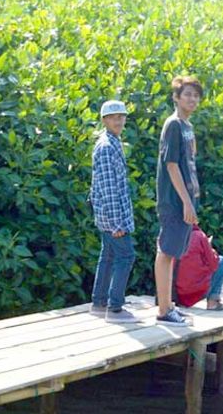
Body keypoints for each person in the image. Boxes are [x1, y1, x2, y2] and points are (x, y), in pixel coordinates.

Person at [155, 76, 203, 326]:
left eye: (195, 95)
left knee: (173, 252)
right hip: (174, 200)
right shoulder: (173, 125)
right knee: (166, 251)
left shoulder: (187, 126)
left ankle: (169, 305)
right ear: (176, 97)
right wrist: (185, 202)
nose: (192, 99)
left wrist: (193, 199)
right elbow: (171, 166)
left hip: (187, 198)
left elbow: (189, 163)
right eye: (187, 94)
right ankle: (163, 310)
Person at [89, 100, 139, 323]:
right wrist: (117, 223)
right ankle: (115, 308)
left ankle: (99, 303)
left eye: (122, 116)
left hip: (108, 217)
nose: (119, 120)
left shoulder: (111, 142)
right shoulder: (108, 148)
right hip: (113, 218)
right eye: (114, 117)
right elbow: (109, 189)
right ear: (104, 120)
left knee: (107, 257)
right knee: (126, 256)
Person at [174, 225, 223, 311]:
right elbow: (214, 263)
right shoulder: (199, 236)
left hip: (176, 294)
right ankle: (213, 302)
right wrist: (209, 247)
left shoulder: (171, 236)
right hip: (194, 292)